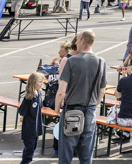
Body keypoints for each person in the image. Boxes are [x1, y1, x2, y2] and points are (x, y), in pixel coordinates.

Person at [55, 29, 107, 164]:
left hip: (72, 110)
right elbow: (102, 90)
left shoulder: (71, 61)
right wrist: (94, 105)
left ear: (83, 41)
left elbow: (61, 90)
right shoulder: (101, 62)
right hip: (90, 110)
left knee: (66, 153)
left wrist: (57, 109)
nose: (76, 42)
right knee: (86, 155)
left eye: (77, 39)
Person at [19, 72, 45, 164]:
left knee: (33, 147)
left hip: (36, 127)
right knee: (29, 149)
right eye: (40, 82)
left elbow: (40, 107)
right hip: (29, 127)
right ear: (33, 83)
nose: (42, 84)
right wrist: (23, 116)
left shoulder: (38, 93)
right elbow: (22, 110)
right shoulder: (29, 97)